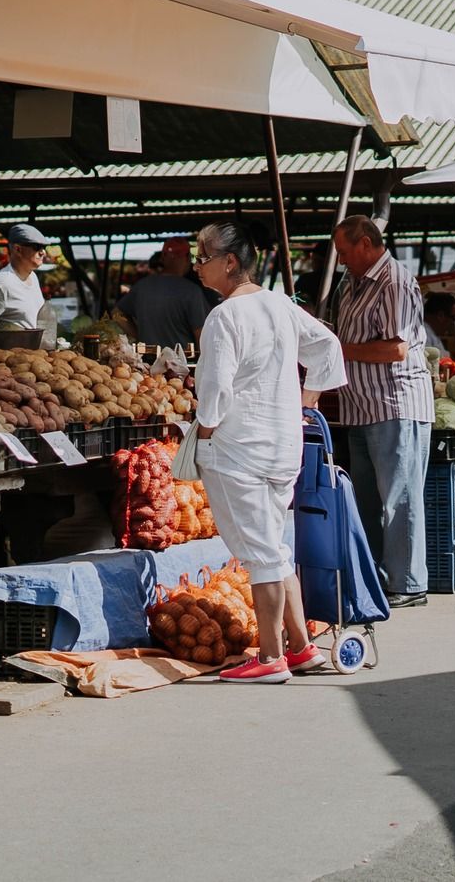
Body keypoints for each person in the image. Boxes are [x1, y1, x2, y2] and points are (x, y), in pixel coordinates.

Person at [189, 221, 348, 683]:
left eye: (204, 257)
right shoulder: (279, 302)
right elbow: (328, 346)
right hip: (283, 444)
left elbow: (214, 391)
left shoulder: (224, 316)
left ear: (230, 262)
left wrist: (203, 434)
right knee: (275, 547)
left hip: (240, 448)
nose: (198, 265)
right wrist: (307, 399)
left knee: (262, 553)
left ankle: (271, 656)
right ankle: (299, 648)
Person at [329, 215, 436, 607]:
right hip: (360, 407)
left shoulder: (395, 282)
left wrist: (339, 349)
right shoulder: (351, 285)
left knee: (399, 498)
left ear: (365, 244)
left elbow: (396, 348)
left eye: (344, 252)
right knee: (369, 503)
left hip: (394, 405)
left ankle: (408, 584)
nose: (341, 261)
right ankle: (375, 578)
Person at [116, 237, 212, 349]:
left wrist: (138, 336)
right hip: (180, 364)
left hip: (147, 363)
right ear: (186, 258)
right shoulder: (191, 292)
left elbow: (116, 314)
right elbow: (202, 336)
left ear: (162, 258)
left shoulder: (142, 286)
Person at [0, 222, 56, 338]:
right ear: (18, 249)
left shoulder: (33, 276)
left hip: (33, 353)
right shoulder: (1, 284)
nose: (43, 252)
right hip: (8, 354)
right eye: (37, 247)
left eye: (44, 247)